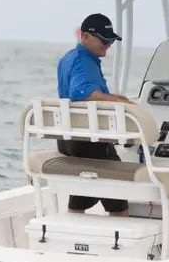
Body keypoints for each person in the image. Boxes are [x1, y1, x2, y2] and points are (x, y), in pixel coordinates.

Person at [56, 13, 133, 216]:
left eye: (110, 40)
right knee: (115, 180)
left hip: (68, 140)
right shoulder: (85, 62)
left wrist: (113, 96)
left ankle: (73, 221)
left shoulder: (69, 58)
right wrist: (116, 101)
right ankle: (121, 227)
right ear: (85, 37)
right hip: (88, 141)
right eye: (104, 40)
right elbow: (81, 92)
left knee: (84, 182)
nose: (108, 45)